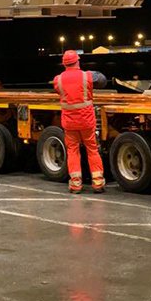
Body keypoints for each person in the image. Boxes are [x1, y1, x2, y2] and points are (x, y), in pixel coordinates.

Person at [53, 49, 106, 194]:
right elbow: (102, 80)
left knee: (73, 151)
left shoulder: (58, 79)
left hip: (69, 122)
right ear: (78, 61)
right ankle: (98, 182)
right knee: (92, 149)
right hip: (86, 120)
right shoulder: (87, 76)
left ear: (64, 64)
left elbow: (60, 90)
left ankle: (76, 184)